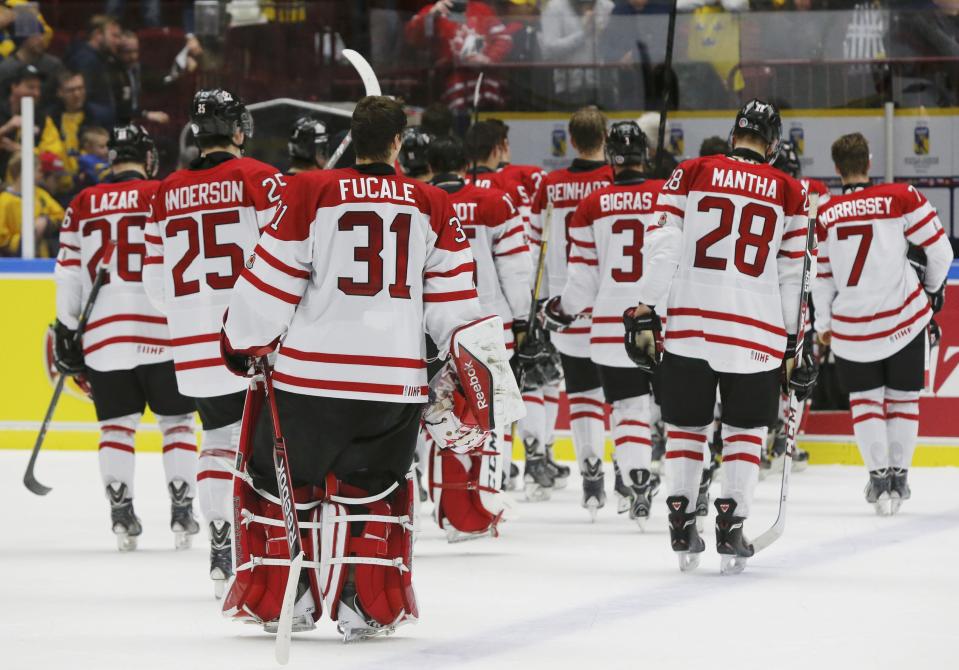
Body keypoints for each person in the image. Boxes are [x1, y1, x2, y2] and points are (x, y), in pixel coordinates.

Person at [219, 95, 519, 640]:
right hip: (394, 385)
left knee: (283, 481)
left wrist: (242, 341)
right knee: (376, 491)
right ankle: (366, 605)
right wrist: (477, 378)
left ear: (352, 139)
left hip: (309, 381)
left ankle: (291, 596)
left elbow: (272, 280)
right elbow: (455, 307)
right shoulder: (432, 204)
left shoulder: (309, 191)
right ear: (400, 142)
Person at [625, 99, 814, 574]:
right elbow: (794, 275)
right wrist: (795, 342)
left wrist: (647, 305)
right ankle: (732, 523)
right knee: (745, 429)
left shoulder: (689, 172)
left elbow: (664, 245)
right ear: (772, 146)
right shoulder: (791, 190)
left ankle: (681, 519)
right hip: (757, 328)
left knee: (687, 427)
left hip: (690, 326)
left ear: (733, 136)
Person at [143, 88, 285, 597]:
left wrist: (193, 312)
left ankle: (221, 540)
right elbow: (289, 259)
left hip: (194, 347)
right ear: (239, 129)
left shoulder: (164, 192)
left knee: (218, 440)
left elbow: (156, 289)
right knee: (271, 447)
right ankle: (268, 543)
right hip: (252, 340)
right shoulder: (260, 179)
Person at [52, 124, 200, 555]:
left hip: (105, 332)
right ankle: (182, 508)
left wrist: (66, 326)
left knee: (116, 426)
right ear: (146, 155)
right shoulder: (165, 192)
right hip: (164, 328)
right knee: (177, 424)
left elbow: (69, 273)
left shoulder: (82, 201)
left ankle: (121, 512)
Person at [813, 132, 953, 516]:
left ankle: (878, 478)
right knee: (904, 401)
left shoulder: (825, 214)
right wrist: (930, 290)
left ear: (837, 169)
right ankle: (900, 477)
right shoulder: (900, 197)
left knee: (866, 402)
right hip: (905, 320)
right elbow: (941, 251)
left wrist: (823, 323)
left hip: (853, 329)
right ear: (870, 163)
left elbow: (821, 277)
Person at [542, 121, 664, 528]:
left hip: (615, 325)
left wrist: (562, 309)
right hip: (665, 323)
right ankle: (691, 490)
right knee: (672, 412)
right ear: (644, 153)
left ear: (611, 158)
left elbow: (584, 281)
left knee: (626, 408)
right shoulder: (667, 197)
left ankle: (635, 481)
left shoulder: (592, 206)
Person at [427, 134, 534, 522]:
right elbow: (516, 268)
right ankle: (486, 501)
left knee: (440, 414)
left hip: (431, 328)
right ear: (465, 167)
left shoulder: (419, 202)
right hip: (488, 326)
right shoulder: (493, 202)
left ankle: (447, 507)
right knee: (494, 414)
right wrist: (524, 319)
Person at [529, 106, 614, 519]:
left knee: (582, 393)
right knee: (629, 395)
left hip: (565, 307)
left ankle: (591, 475)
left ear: (571, 138)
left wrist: (540, 301)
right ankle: (642, 466)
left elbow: (534, 246)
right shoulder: (616, 181)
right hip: (615, 305)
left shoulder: (550, 184)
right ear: (606, 136)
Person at [404, 1, 513, 111]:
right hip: (450, 81)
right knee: (457, 119)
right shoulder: (432, 11)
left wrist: (489, 59)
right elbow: (413, 39)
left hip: (485, 80)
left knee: (489, 119)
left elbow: (503, 38)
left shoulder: (482, 9)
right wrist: (429, 17)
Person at [538, 0, 615, 107]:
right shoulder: (555, 7)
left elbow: (616, 43)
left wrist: (601, 34)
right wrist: (583, 34)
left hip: (604, 84)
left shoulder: (607, 6)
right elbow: (550, 49)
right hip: (569, 86)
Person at [0, 62, 65, 178]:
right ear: (14, 86)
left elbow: (55, 157)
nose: (36, 93)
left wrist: (22, 150)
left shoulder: (42, 120)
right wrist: (5, 129)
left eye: (38, 88)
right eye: (30, 87)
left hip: (28, 186)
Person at [0, 152, 65, 257]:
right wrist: (25, 238)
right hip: (13, 263)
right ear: (25, 171)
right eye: (39, 170)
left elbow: (61, 215)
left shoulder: (41, 194)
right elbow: (2, 238)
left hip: (42, 258)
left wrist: (46, 221)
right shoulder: (4, 200)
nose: (42, 175)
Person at [65, 15, 123, 127]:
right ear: (98, 35)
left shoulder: (101, 58)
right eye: (114, 36)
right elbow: (83, 100)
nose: (118, 41)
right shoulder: (85, 60)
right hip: (93, 129)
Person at [0, 16, 65, 109]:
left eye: (42, 34)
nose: (41, 39)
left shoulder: (53, 65)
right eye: (35, 35)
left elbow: (59, 98)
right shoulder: (5, 69)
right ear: (23, 39)